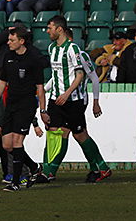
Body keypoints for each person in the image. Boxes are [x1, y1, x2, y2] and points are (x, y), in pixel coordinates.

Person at [34, 15, 111, 185]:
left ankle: (100, 168)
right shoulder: (52, 48)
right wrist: (45, 93)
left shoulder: (74, 50)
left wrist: (72, 95)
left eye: (50, 28)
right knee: (55, 133)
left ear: (59, 29)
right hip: (56, 99)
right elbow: (56, 76)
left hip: (74, 100)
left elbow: (83, 75)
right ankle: (48, 171)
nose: (47, 31)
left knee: (79, 135)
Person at [0, 27, 48, 192]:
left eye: (11, 40)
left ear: (21, 41)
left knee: (17, 142)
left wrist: (42, 110)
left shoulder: (33, 60)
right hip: (11, 105)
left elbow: (40, 88)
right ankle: (34, 167)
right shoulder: (8, 57)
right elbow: (2, 82)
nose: (8, 43)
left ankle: (16, 182)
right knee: (7, 145)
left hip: (26, 105)